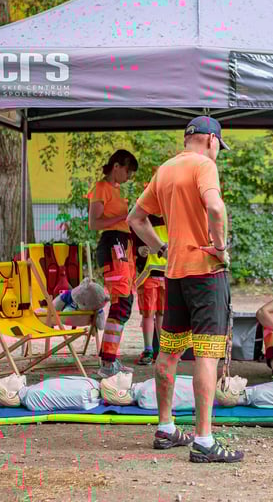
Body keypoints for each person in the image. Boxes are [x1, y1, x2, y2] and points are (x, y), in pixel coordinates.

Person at [128, 115, 243, 464]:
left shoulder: (165, 170)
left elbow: (136, 218)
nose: (218, 153)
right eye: (218, 147)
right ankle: (204, 440)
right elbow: (215, 207)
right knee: (206, 354)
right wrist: (220, 246)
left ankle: (165, 428)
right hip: (207, 274)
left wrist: (162, 247)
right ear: (210, 140)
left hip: (175, 274)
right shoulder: (204, 166)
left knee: (170, 353)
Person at [89, 149, 139, 379]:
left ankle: (111, 358)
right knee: (120, 304)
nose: (128, 176)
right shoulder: (101, 188)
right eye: (127, 171)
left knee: (125, 303)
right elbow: (94, 223)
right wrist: (122, 218)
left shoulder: (117, 190)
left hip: (124, 246)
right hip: (111, 246)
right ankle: (107, 362)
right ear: (116, 166)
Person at [133, 214, 168, 365]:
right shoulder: (142, 215)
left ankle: (163, 350)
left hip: (168, 273)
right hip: (147, 274)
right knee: (148, 313)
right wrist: (139, 249)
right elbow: (133, 239)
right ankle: (149, 349)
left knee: (162, 313)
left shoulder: (172, 214)